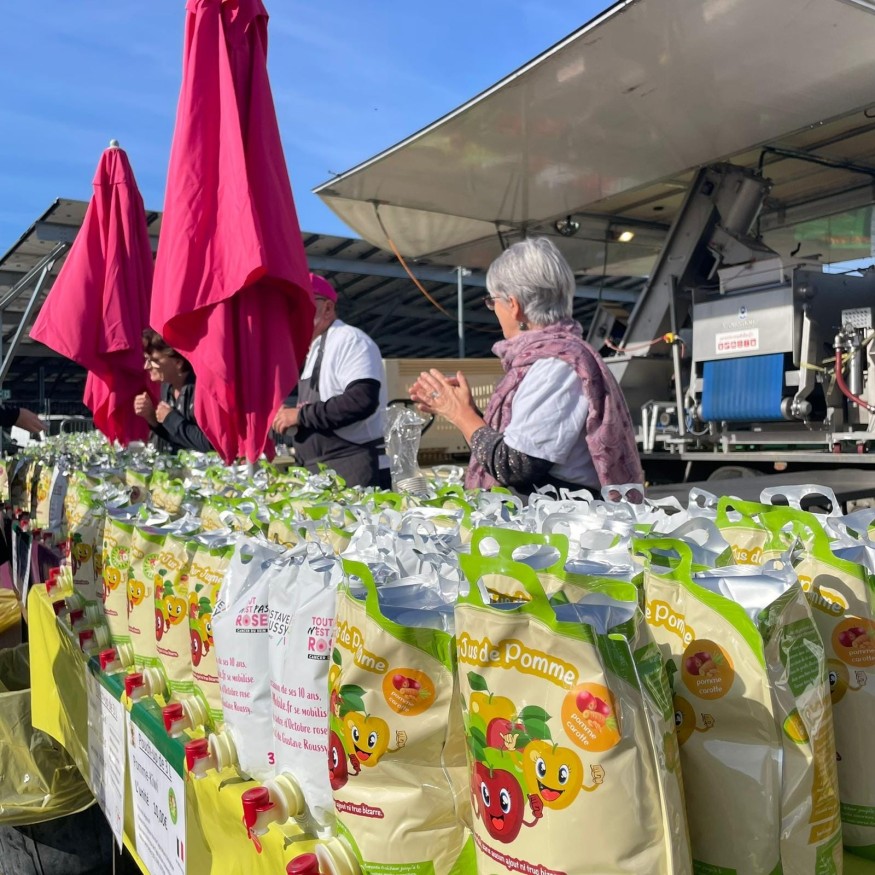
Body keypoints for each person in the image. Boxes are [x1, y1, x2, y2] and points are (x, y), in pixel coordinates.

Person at [410, 237, 643, 498]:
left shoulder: (556, 365)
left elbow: (516, 465)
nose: (493, 310)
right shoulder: (553, 357)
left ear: (514, 306)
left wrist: (459, 413)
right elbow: (511, 449)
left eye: (493, 301)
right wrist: (470, 412)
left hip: (560, 517)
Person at [272, 273, 389, 488]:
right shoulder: (313, 351)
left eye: (303, 303)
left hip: (354, 469)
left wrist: (299, 415)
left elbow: (361, 400)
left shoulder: (350, 340)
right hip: (324, 471)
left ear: (327, 308)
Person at [134, 329, 213, 454]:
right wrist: (152, 419)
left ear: (178, 362)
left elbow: (211, 444)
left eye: (154, 360)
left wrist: (170, 419)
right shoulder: (167, 386)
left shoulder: (202, 391)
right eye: (146, 359)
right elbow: (175, 438)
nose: (146, 367)